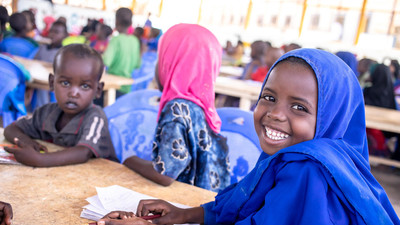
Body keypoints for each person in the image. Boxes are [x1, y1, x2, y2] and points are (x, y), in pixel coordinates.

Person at [98, 48, 400, 225]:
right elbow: (248, 204)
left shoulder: (308, 169)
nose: (275, 114)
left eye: (299, 107)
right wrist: (186, 214)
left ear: (330, 118)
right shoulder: (289, 153)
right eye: (269, 97)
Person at [122, 24, 230, 192]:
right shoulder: (203, 106)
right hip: (209, 205)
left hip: (186, 207)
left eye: (161, 58)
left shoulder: (176, 109)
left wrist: (130, 160)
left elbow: (164, 175)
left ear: (171, 64)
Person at [3, 44, 118, 167]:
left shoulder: (95, 118)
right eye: (65, 83)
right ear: (52, 83)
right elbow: (11, 129)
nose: (73, 93)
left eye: (85, 86)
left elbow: (83, 152)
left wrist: (40, 159)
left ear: (98, 90)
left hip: (101, 179)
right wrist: (26, 141)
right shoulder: (46, 113)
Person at [102, 7, 141, 96]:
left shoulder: (115, 40)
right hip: (127, 87)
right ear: (131, 23)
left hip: (112, 87)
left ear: (116, 22)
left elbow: (106, 61)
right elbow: (137, 64)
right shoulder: (135, 41)